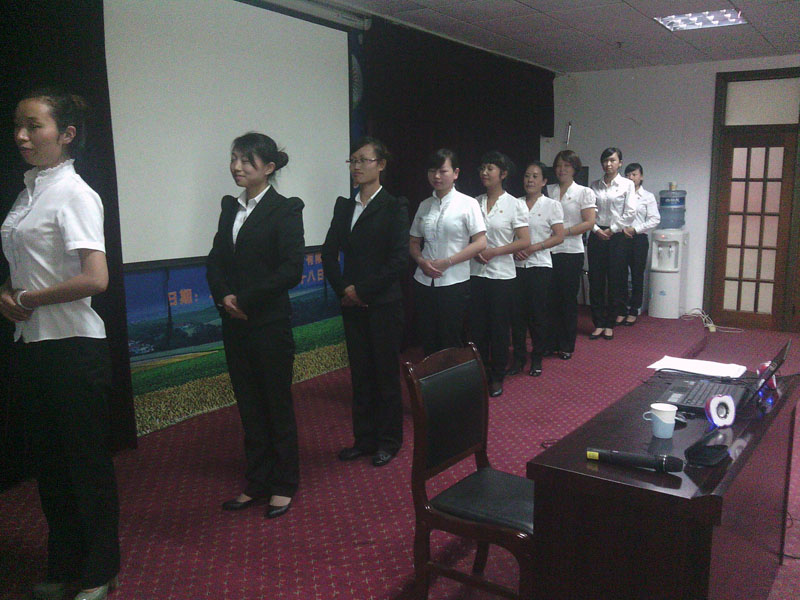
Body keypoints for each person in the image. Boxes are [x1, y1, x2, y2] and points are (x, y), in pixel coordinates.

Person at [1, 89, 120, 600]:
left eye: (34, 126)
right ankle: (65, 561)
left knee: (85, 465)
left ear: (67, 134)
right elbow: (25, 269)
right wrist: (7, 292)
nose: (21, 136)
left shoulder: (74, 192)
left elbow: (96, 278)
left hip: (73, 347)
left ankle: (101, 570)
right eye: (18, 125)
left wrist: (27, 297)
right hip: (33, 344)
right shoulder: (29, 191)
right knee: (50, 465)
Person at [206, 132, 304, 519]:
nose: (237, 167)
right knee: (248, 404)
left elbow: (291, 270)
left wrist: (245, 299)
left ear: (269, 167)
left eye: (247, 160)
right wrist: (225, 297)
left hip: (268, 323)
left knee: (275, 404)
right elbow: (216, 260)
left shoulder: (285, 209)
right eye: (234, 158)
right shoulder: (230, 207)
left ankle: (284, 483)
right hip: (235, 323)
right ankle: (258, 480)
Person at [321, 137, 408, 467]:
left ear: (381, 165)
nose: (356, 167)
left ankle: (389, 440)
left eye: (363, 160)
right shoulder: (344, 206)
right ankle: (364, 438)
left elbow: (398, 260)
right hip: (351, 302)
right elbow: (329, 253)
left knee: (385, 375)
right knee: (360, 374)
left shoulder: (395, 205)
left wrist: (362, 291)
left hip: (383, 303)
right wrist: (344, 290)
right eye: (352, 161)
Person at [409, 149, 486, 356]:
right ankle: (431, 376)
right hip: (424, 280)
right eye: (432, 171)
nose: (436, 176)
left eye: (443, 171)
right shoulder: (424, 205)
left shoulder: (468, 203)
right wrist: (420, 261)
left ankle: (451, 377)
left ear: (456, 173)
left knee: (450, 338)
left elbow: (480, 242)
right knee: (427, 336)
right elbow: (414, 241)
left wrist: (448, 262)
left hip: (454, 281)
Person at [469, 151, 529, 397]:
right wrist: (474, 251)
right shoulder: (474, 202)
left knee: (499, 328)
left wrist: (494, 251)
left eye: (490, 169)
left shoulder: (515, 204)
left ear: (503, 174)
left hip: (502, 276)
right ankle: (480, 373)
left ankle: (497, 376)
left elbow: (524, 240)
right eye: (482, 168)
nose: (484, 173)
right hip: (475, 273)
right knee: (477, 328)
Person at [510, 160, 564, 377]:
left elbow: (559, 236)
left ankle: (537, 357)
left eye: (535, 176)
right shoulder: (514, 203)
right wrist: (514, 250)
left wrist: (533, 248)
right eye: (527, 176)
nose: (530, 180)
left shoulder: (551, 205)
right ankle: (518, 358)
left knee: (537, 314)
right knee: (516, 316)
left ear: (544, 181)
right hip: (515, 266)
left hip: (540, 265)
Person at [545, 150, 596, 359]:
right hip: (548, 251)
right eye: (558, 165)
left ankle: (566, 345)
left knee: (567, 299)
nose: (562, 169)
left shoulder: (584, 192)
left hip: (570, 251)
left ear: (575, 168)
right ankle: (550, 342)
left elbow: (589, 222)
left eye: (566, 165)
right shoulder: (548, 189)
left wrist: (563, 232)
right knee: (550, 299)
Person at [588, 147, 636, 341]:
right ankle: (598, 323)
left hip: (616, 236)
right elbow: (588, 212)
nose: (608, 164)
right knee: (596, 280)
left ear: (620, 163)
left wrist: (612, 229)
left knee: (616, 280)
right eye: (605, 160)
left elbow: (630, 213)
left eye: (612, 160)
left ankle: (610, 323)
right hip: (597, 234)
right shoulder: (594, 185)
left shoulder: (627, 185)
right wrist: (596, 229)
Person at [623, 162, 660, 325]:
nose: (631, 178)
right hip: (621, 237)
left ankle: (634, 310)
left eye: (634, 174)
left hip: (638, 239)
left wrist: (635, 229)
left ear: (641, 177)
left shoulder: (647, 197)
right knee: (620, 275)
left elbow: (654, 219)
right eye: (628, 175)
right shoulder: (621, 194)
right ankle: (621, 309)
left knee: (637, 275)